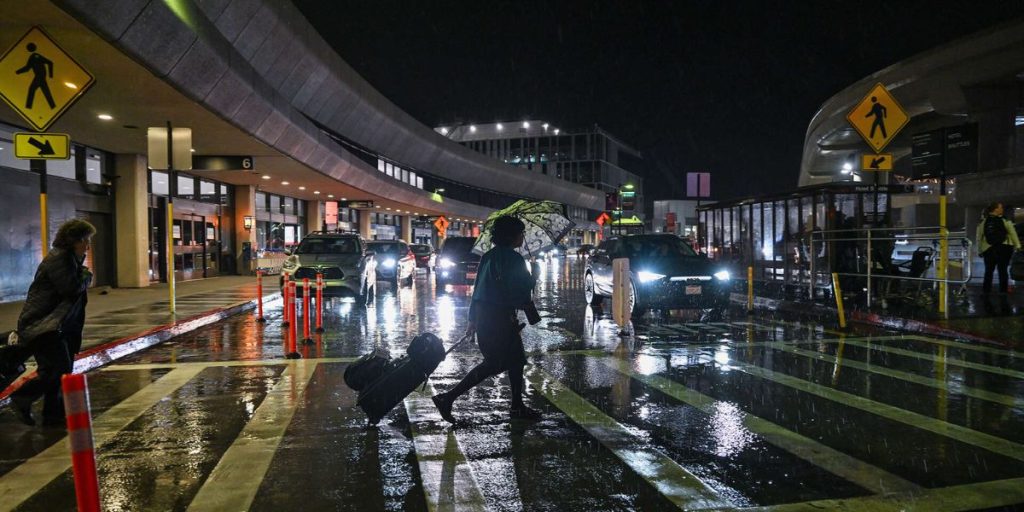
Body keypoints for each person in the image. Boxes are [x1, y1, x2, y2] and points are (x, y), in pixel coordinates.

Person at [432, 216, 541, 422]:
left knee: (516, 361)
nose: (522, 237)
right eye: (521, 233)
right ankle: (448, 397)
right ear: (511, 235)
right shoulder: (515, 259)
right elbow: (520, 294)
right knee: (494, 364)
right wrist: (533, 276)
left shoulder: (489, 256)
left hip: (485, 316)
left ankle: (517, 405)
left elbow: (478, 291)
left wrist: (472, 319)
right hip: (500, 318)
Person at [9, 219, 95, 426]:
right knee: (57, 370)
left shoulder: (70, 259)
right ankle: (22, 398)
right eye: (85, 240)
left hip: (57, 325)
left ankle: (53, 416)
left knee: (58, 370)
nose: (88, 246)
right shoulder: (60, 259)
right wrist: (86, 275)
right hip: (44, 325)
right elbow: (71, 288)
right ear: (73, 240)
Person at [976, 202, 1021, 294]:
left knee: (988, 271)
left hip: (988, 249)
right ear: (995, 209)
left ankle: (986, 291)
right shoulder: (1005, 220)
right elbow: (1013, 233)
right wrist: (1018, 246)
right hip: (1004, 248)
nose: (1002, 209)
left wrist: (980, 250)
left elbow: (979, 237)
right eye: (1000, 207)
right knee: (1003, 270)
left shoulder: (984, 222)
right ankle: (1003, 292)